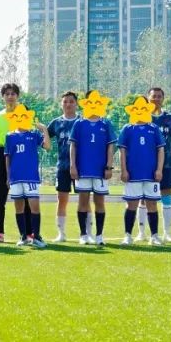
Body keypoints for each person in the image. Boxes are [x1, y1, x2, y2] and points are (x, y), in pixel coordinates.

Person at [0, 82, 33, 243]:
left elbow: (32, 132)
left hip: (22, 155)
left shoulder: (25, 114)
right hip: (3, 155)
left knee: (26, 196)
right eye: (7, 94)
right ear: (2, 97)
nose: (10, 97)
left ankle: (29, 234)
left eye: (13, 94)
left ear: (18, 96)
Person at [135, 87, 171, 242]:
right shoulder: (142, 116)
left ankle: (168, 233)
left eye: (159, 96)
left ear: (163, 98)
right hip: (146, 164)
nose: (156, 99)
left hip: (166, 163)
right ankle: (141, 233)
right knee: (143, 198)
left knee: (166, 197)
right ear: (148, 98)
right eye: (153, 96)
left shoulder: (170, 118)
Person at [69, 92, 116, 245]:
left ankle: (99, 235)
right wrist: (73, 166)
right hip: (82, 170)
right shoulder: (79, 123)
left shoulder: (106, 123)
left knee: (99, 202)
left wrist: (109, 166)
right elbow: (73, 146)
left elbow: (110, 147)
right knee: (83, 201)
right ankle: (83, 234)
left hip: (100, 170)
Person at [117, 98, 165, 246]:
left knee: (152, 204)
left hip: (151, 174)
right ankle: (127, 236)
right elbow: (122, 151)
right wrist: (124, 170)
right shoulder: (127, 128)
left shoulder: (154, 128)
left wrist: (159, 169)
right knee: (131, 204)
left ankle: (154, 236)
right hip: (133, 174)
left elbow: (161, 150)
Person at [5, 105, 50, 247]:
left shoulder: (34, 134)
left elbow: (47, 146)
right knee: (19, 208)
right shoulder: (10, 136)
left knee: (34, 207)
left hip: (31, 177)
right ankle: (23, 236)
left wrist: (44, 129)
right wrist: (8, 176)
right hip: (16, 177)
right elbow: (8, 157)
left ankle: (36, 237)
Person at [47, 90, 84, 242]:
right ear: (61, 104)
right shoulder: (56, 123)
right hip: (62, 167)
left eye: (71, 101)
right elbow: (45, 138)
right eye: (65, 101)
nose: (68, 104)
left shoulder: (82, 121)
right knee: (62, 199)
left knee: (84, 200)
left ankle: (85, 234)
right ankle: (61, 234)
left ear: (77, 104)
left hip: (82, 167)